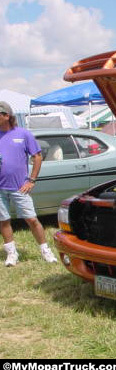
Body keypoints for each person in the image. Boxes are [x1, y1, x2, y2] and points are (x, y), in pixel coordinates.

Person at [0, 101, 57, 266]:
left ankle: (45, 251)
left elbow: (37, 156)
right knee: (3, 221)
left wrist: (31, 180)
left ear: (6, 116)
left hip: (20, 187)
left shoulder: (23, 134)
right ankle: (12, 254)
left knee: (31, 220)